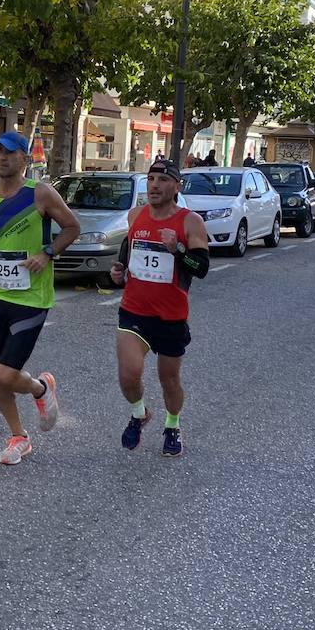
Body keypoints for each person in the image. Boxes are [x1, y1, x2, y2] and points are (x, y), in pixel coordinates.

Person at [0, 131, 80, 466]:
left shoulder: (40, 193)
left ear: (25, 158)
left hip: (32, 297)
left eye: (10, 153)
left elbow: (72, 227)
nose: (1, 158)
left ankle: (40, 389)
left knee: (7, 376)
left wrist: (47, 253)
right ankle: (19, 437)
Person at [110, 157, 210, 457]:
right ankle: (139, 413)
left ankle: (173, 424)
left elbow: (201, 267)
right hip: (134, 310)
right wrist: (118, 271)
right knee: (129, 375)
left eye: (163, 180)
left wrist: (177, 249)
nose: (155, 185)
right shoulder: (135, 215)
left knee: (169, 380)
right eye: (151, 179)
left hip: (171, 316)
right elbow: (129, 252)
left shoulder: (190, 221)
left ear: (176, 186)